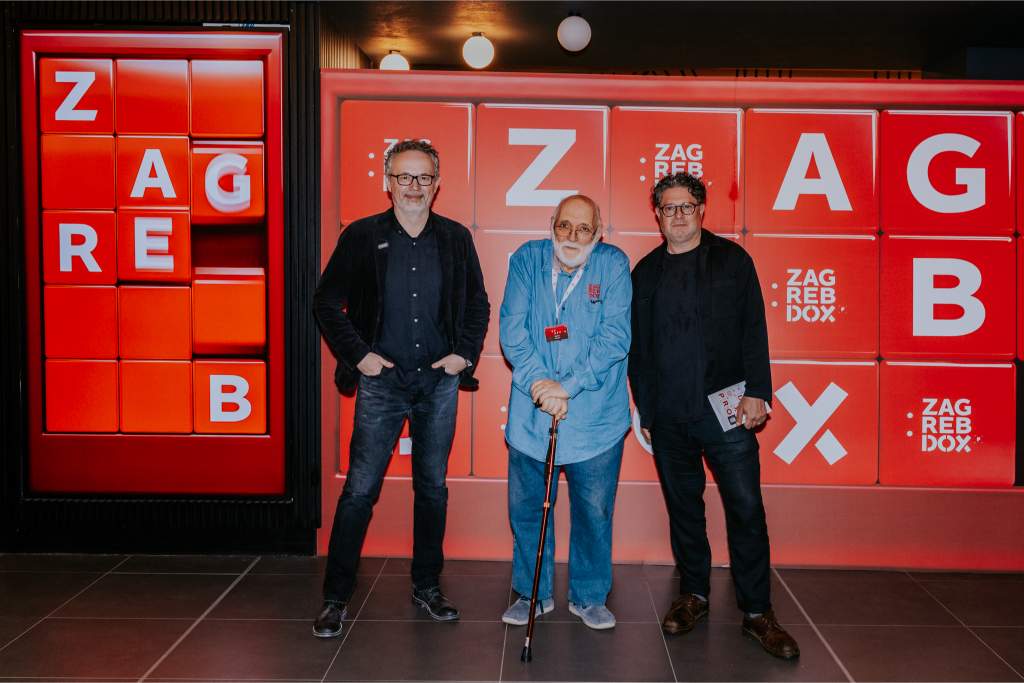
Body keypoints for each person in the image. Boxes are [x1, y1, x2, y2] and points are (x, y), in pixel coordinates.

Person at [312, 139, 489, 638]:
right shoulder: (361, 236)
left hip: (438, 384)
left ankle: (427, 586)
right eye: (404, 176)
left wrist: (463, 355)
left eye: (424, 177)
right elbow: (326, 301)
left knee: (432, 489)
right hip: (381, 385)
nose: (414, 186)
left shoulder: (456, 238)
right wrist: (359, 355)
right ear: (387, 182)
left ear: (438, 184)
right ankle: (335, 598)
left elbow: (477, 304)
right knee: (359, 491)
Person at [628, 173, 799, 659]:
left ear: (702, 209)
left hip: (727, 409)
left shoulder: (732, 261)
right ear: (657, 214)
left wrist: (758, 392)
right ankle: (694, 596)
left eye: (686, 206)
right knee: (684, 509)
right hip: (669, 414)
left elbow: (754, 329)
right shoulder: (644, 273)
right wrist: (646, 407)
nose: (678, 216)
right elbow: (638, 349)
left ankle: (757, 611)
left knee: (745, 508)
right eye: (668, 208)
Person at [498, 194, 632, 631]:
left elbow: (614, 338)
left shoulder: (613, 265)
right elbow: (512, 332)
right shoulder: (527, 259)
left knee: (594, 512)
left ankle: (589, 597)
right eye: (564, 226)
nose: (572, 236)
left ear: (598, 233)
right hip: (533, 414)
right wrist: (542, 386)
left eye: (584, 229)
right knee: (527, 511)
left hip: (595, 417)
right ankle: (531, 594)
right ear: (551, 224)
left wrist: (567, 387)